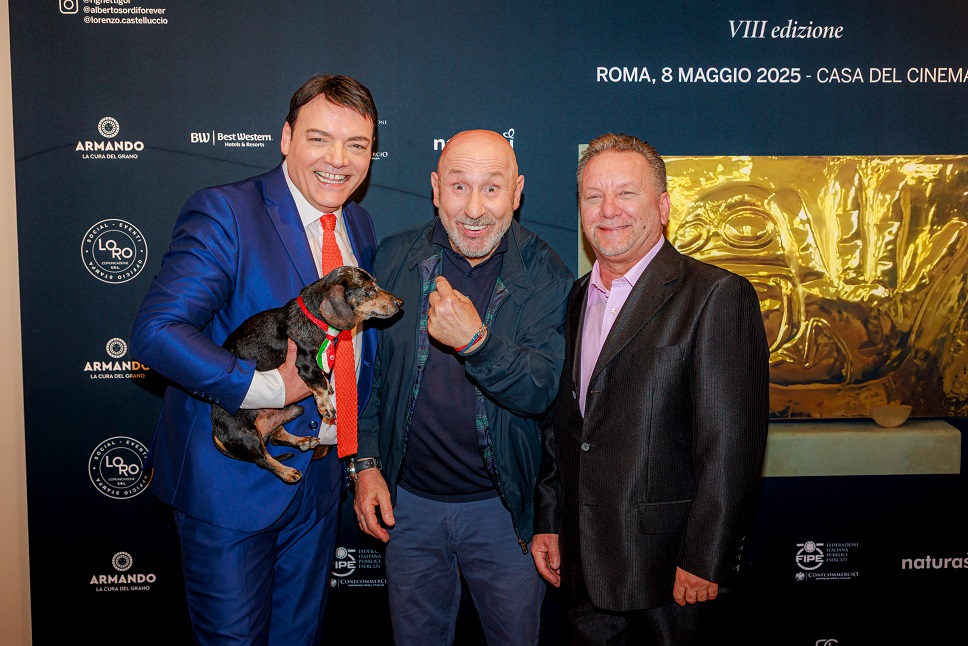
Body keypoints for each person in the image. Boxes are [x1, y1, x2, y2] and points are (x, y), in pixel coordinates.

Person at [131, 74, 379, 645]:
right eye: (319, 138)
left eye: (357, 145)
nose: (338, 160)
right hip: (231, 487)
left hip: (318, 483)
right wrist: (268, 388)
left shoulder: (358, 223)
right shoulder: (228, 212)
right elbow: (156, 332)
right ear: (286, 137)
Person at [531, 133, 770, 645]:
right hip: (581, 568)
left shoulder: (716, 296)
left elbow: (731, 449)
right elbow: (565, 425)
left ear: (662, 207)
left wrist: (705, 559)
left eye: (626, 193)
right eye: (593, 196)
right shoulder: (576, 297)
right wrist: (550, 519)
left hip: (669, 577)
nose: (608, 210)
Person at [352, 129, 574, 645]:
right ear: (436, 189)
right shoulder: (394, 258)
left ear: (516, 192)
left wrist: (476, 343)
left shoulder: (547, 273)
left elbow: (543, 391)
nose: (474, 210)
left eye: (492, 188)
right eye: (459, 187)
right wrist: (366, 463)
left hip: (504, 511)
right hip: (408, 507)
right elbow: (370, 375)